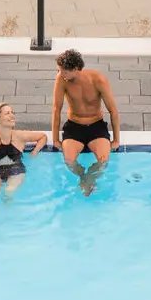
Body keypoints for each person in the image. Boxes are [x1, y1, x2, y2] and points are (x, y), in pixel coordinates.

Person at [51, 49, 120, 195]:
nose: (60, 74)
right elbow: (56, 109)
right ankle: (84, 178)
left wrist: (116, 140)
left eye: (64, 71)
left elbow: (113, 110)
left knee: (103, 160)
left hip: (96, 126)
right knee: (69, 160)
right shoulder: (61, 80)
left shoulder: (98, 80)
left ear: (75, 69)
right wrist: (56, 139)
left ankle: (88, 180)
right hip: (74, 127)